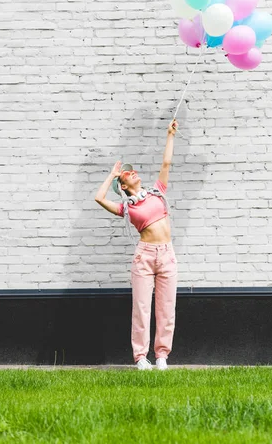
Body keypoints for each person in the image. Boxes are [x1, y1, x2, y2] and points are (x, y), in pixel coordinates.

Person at [95, 119, 179, 370]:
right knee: (141, 309)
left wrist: (170, 135)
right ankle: (141, 358)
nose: (132, 171)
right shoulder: (126, 208)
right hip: (144, 257)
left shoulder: (156, 192)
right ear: (123, 186)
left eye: (132, 170)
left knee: (166, 309)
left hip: (167, 254)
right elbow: (99, 198)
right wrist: (112, 174)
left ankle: (162, 356)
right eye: (127, 173)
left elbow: (166, 163)